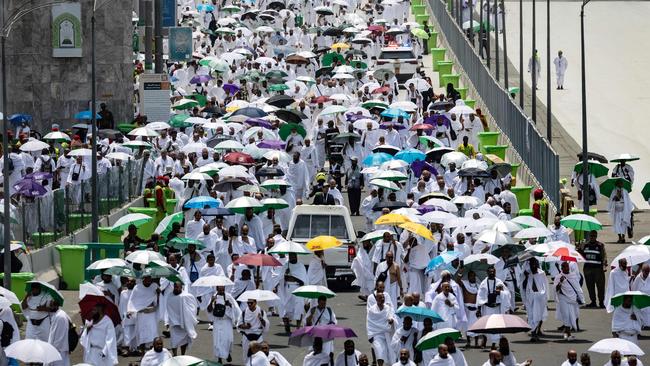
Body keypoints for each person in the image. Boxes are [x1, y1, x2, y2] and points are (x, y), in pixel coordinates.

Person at [208, 284, 241, 364]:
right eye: (220, 290)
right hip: (217, 322)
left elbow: (236, 308)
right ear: (217, 289)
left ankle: (228, 353)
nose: (222, 291)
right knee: (218, 341)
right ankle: (219, 358)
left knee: (229, 339)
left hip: (227, 322)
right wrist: (212, 301)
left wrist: (229, 305)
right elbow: (209, 310)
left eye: (223, 290)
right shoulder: (214, 297)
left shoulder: (229, 296)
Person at [553, 261, 585, 341]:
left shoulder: (573, 276)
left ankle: (567, 333)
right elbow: (556, 289)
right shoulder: (558, 277)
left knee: (572, 316)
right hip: (563, 298)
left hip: (572, 299)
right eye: (564, 267)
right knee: (566, 315)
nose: (566, 268)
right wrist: (560, 282)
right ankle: (568, 334)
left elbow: (578, 288)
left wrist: (581, 298)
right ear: (561, 268)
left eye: (567, 266)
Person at [127, 275, 159, 352]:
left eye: (150, 280)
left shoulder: (154, 286)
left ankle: (152, 352)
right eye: (147, 279)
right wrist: (129, 310)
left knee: (153, 333)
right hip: (141, 314)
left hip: (151, 314)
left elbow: (157, 301)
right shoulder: (137, 287)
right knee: (142, 334)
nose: (148, 281)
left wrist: (159, 294)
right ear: (143, 279)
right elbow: (132, 300)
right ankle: (142, 353)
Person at [166, 281, 198, 355]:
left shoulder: (187, 296)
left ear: (181, 287)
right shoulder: (170, 296)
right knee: (174, 340)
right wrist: (171, 319)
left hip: (184, 322)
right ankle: (175, 355)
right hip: (174, 323)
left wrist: (187, 318)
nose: (176, 288)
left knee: (184, 340)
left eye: (178, 287)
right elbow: (168, 308)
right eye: (175, 287)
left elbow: (193, 307)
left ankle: (183, 354)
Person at [519, 257, 547, 341]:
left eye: (535, 264)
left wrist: (544, 297)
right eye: (532, 264)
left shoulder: (541, 273)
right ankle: (533, 333)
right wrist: (526, 277)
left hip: (540, 298)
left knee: (540, 315)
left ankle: (537, 330)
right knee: (531, 315)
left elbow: (545, 286)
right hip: (530, 298)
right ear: (529, 265)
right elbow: (522, 287)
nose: (534, 266)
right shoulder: (526, 274)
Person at [577, 230, 607, 308]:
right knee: (590, 286)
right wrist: (579, 249)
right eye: (591, 236)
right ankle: (593, 301)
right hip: (588, 269)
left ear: (596, 236)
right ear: (589, 236)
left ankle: (601, 302)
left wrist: (604, 265)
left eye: (594, 236)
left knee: (600, 287)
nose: (592, 237)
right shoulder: (585, 245)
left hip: (598, 269)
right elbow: (580, 256)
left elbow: (604, 256)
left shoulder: (600, 245)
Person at [367, 293, 398, 366]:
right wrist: (370, 336)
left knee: (390, 354)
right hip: (377, 334)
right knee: (379, 352)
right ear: (376, 299)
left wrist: (392, 320)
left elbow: (392, 316)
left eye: (383, 298)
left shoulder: (388, 308)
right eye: (380, 298)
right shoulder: (372, 310)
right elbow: (369, 323)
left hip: (388, 333)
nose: (382, 299)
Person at [48, 300, 71, 366]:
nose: (49, 308)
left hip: (58, 350)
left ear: (56, 306)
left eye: (51, 306)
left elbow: (56, 337)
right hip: (60, 349)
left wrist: (51, 350)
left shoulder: (59, 317)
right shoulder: (59, 314)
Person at [631, 264, 650, 328]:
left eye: (648, 272)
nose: (647, 274)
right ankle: (642, 324)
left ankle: (648, 324)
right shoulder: (638, 277)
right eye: (645, 272)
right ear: (642, 271)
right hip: (640, 298)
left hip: (648, 297)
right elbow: (634, 289)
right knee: (639, 311)